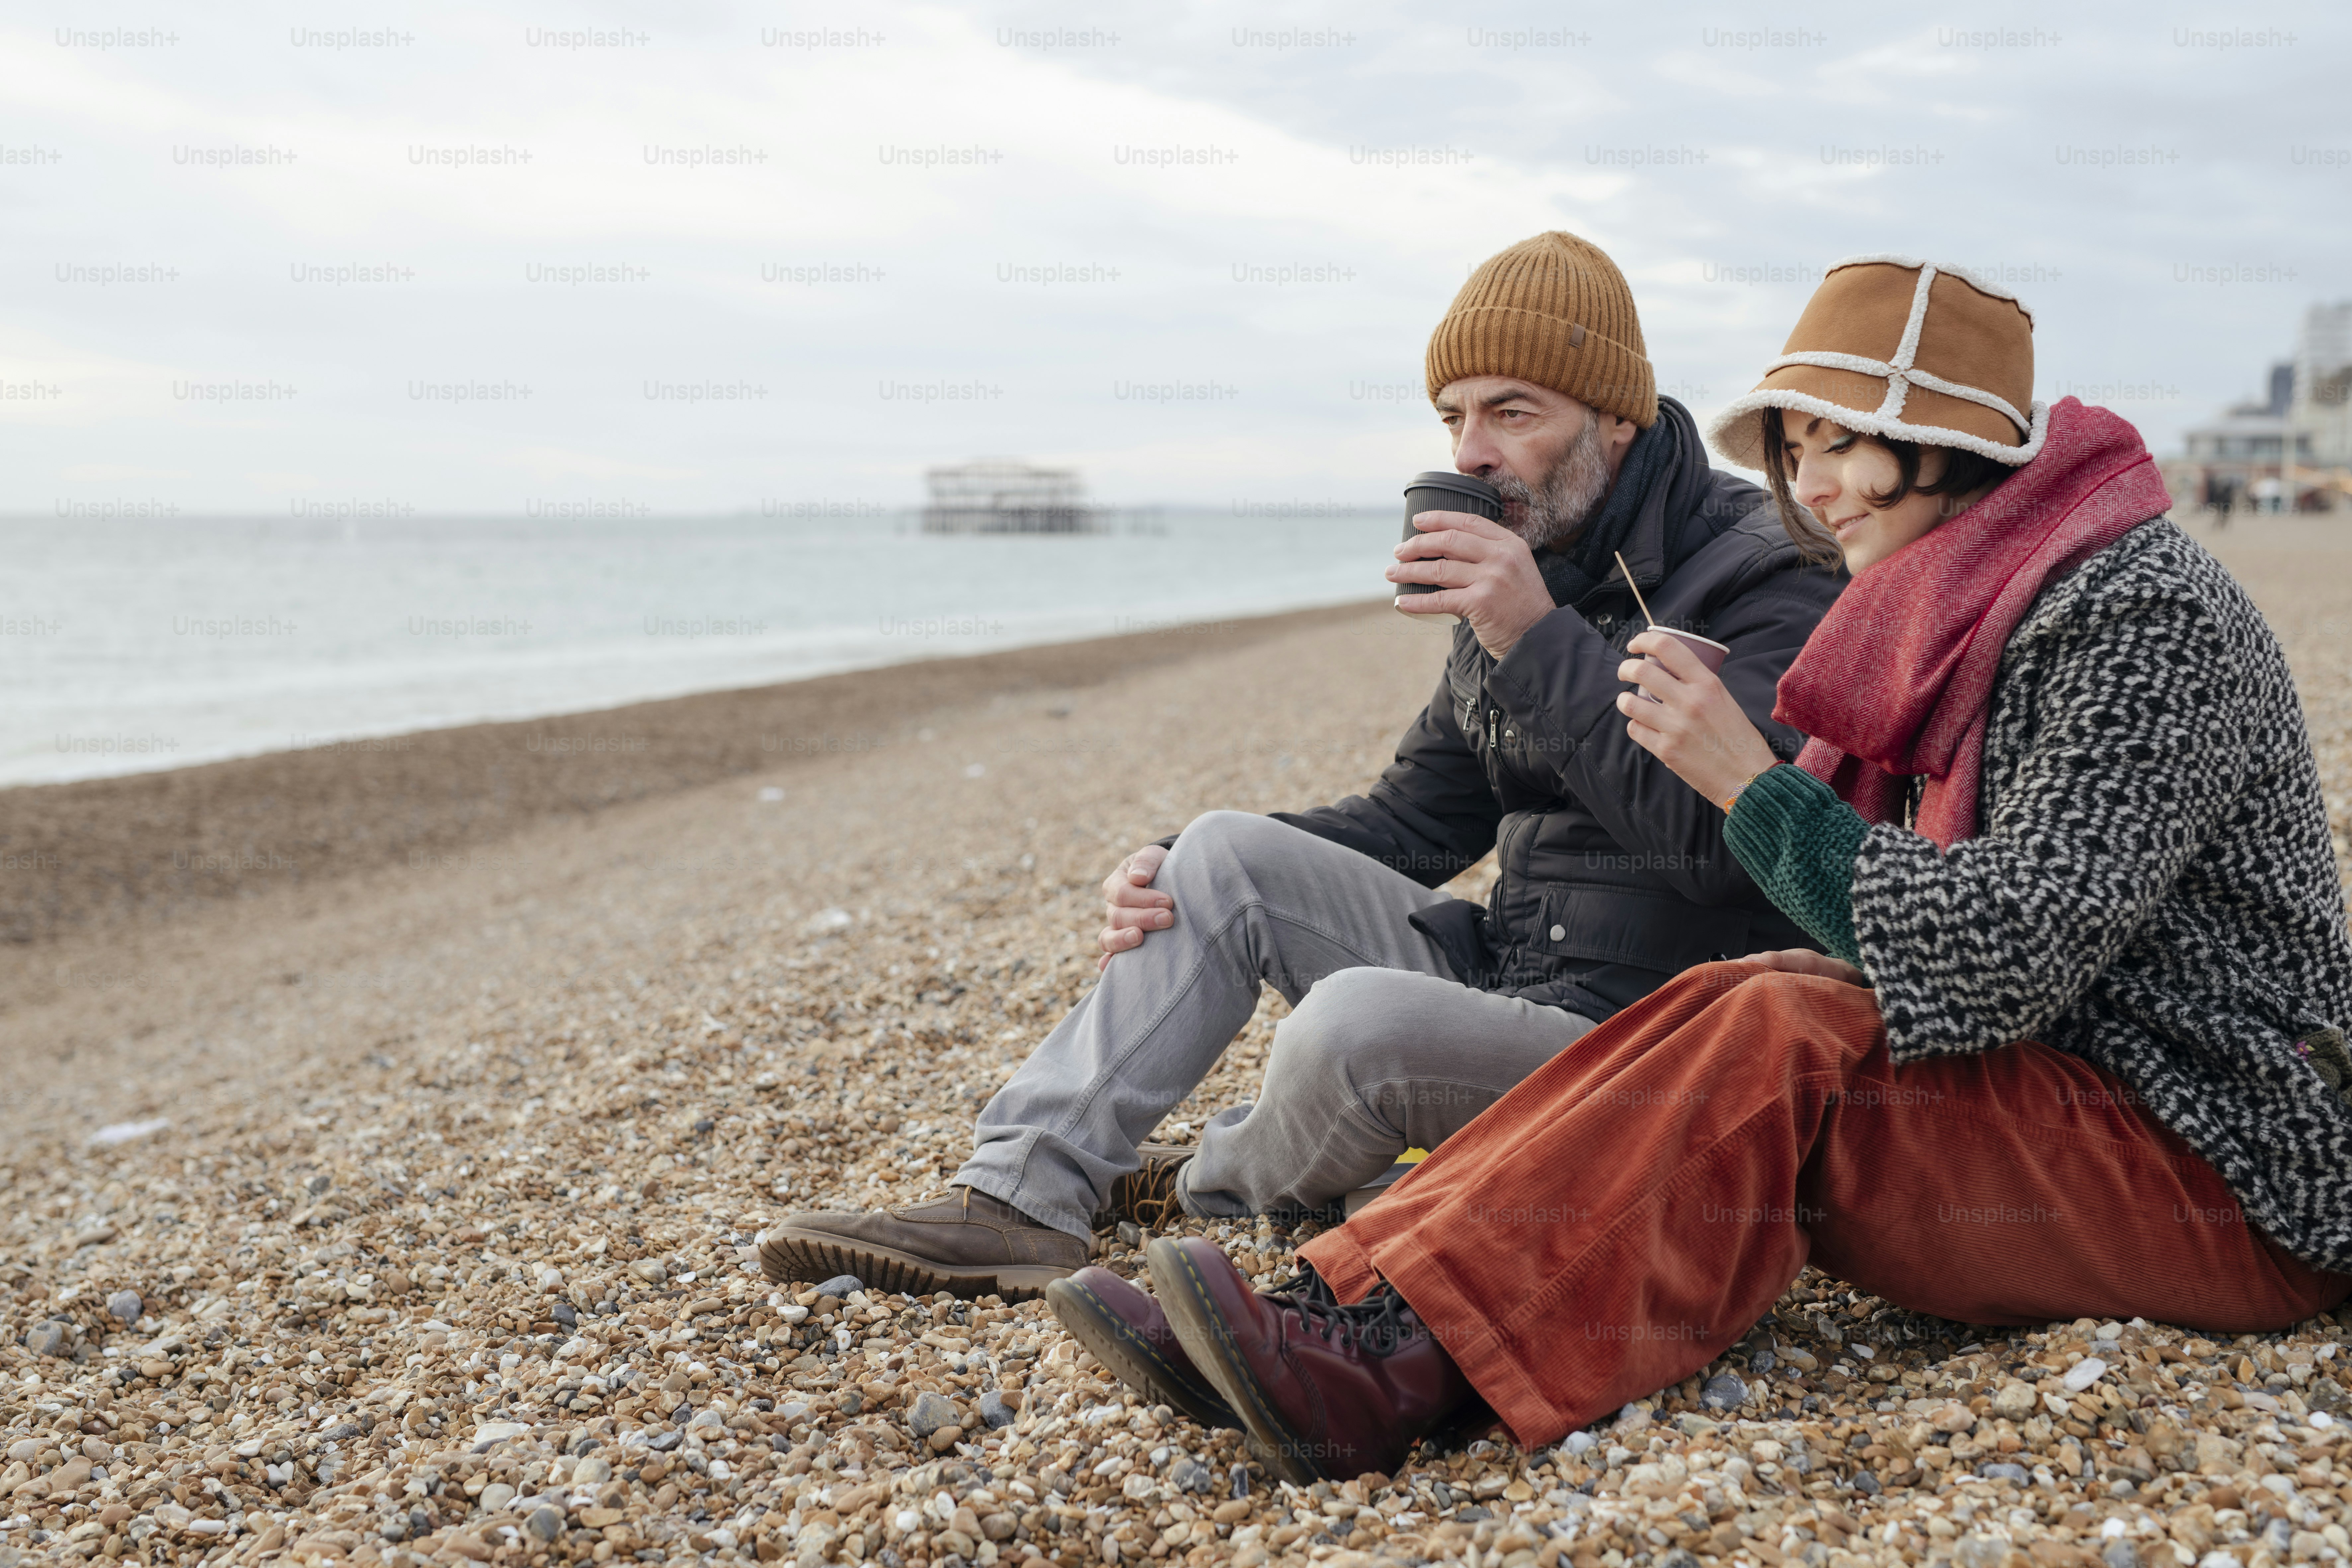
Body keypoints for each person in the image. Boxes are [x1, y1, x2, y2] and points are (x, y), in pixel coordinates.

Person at [1049, 255, 2352, 1481]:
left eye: (1845, 438)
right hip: (2060, 1106)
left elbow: (1997, 954)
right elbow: (1426, 814)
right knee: (1746, 995)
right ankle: (1336, 1302)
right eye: (1799, 441)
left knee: (1776, 1020)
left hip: (2225, 1167)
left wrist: (1745, 779)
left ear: (1955, 446)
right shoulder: (1955, 624)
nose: (1812, 478)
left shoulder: (2130, 613)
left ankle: (1390, 1367)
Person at [759, 232, 1844, 1302]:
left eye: (1513, 411)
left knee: (1351, 1028)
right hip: (1512, 979)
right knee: (1223, 850)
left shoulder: (1770, 568)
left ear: (1621, 416)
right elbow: (1418, 820)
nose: (1471, 451)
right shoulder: (1526, 570)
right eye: (1453, 416)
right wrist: (1179, 870)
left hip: (1653, 1045)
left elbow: (1725, 848)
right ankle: (1015, 1197)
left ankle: (1210, 1176)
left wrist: (1531, 631)